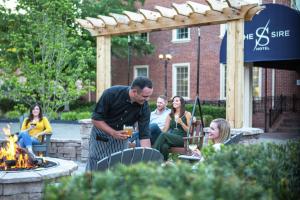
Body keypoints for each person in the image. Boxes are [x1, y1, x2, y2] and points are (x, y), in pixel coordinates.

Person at [86, 77, 153, 171]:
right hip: (101, 135)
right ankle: (89, 185)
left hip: (122, 138)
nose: (147, 99)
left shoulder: (144, 107)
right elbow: (96, 119)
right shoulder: (111, 93)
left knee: (118, 165)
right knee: (96, 164)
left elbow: (144, 135)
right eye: (145, 96)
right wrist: (113, 133)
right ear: (134, 92)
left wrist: (147, 159)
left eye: (149, 96)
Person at [153, 96, 192, 161]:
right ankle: (163, 163)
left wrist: (181, 123)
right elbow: (165, 129)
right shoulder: (170, 115)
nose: (174, 102)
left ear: (181, 103)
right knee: (164, 146)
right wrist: (154, 131)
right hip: (172, 138)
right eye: (173, 101)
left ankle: (151, 156)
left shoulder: (187, 114)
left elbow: (189, 131)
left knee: (164, 135)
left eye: (177, 101)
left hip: (183, 139)